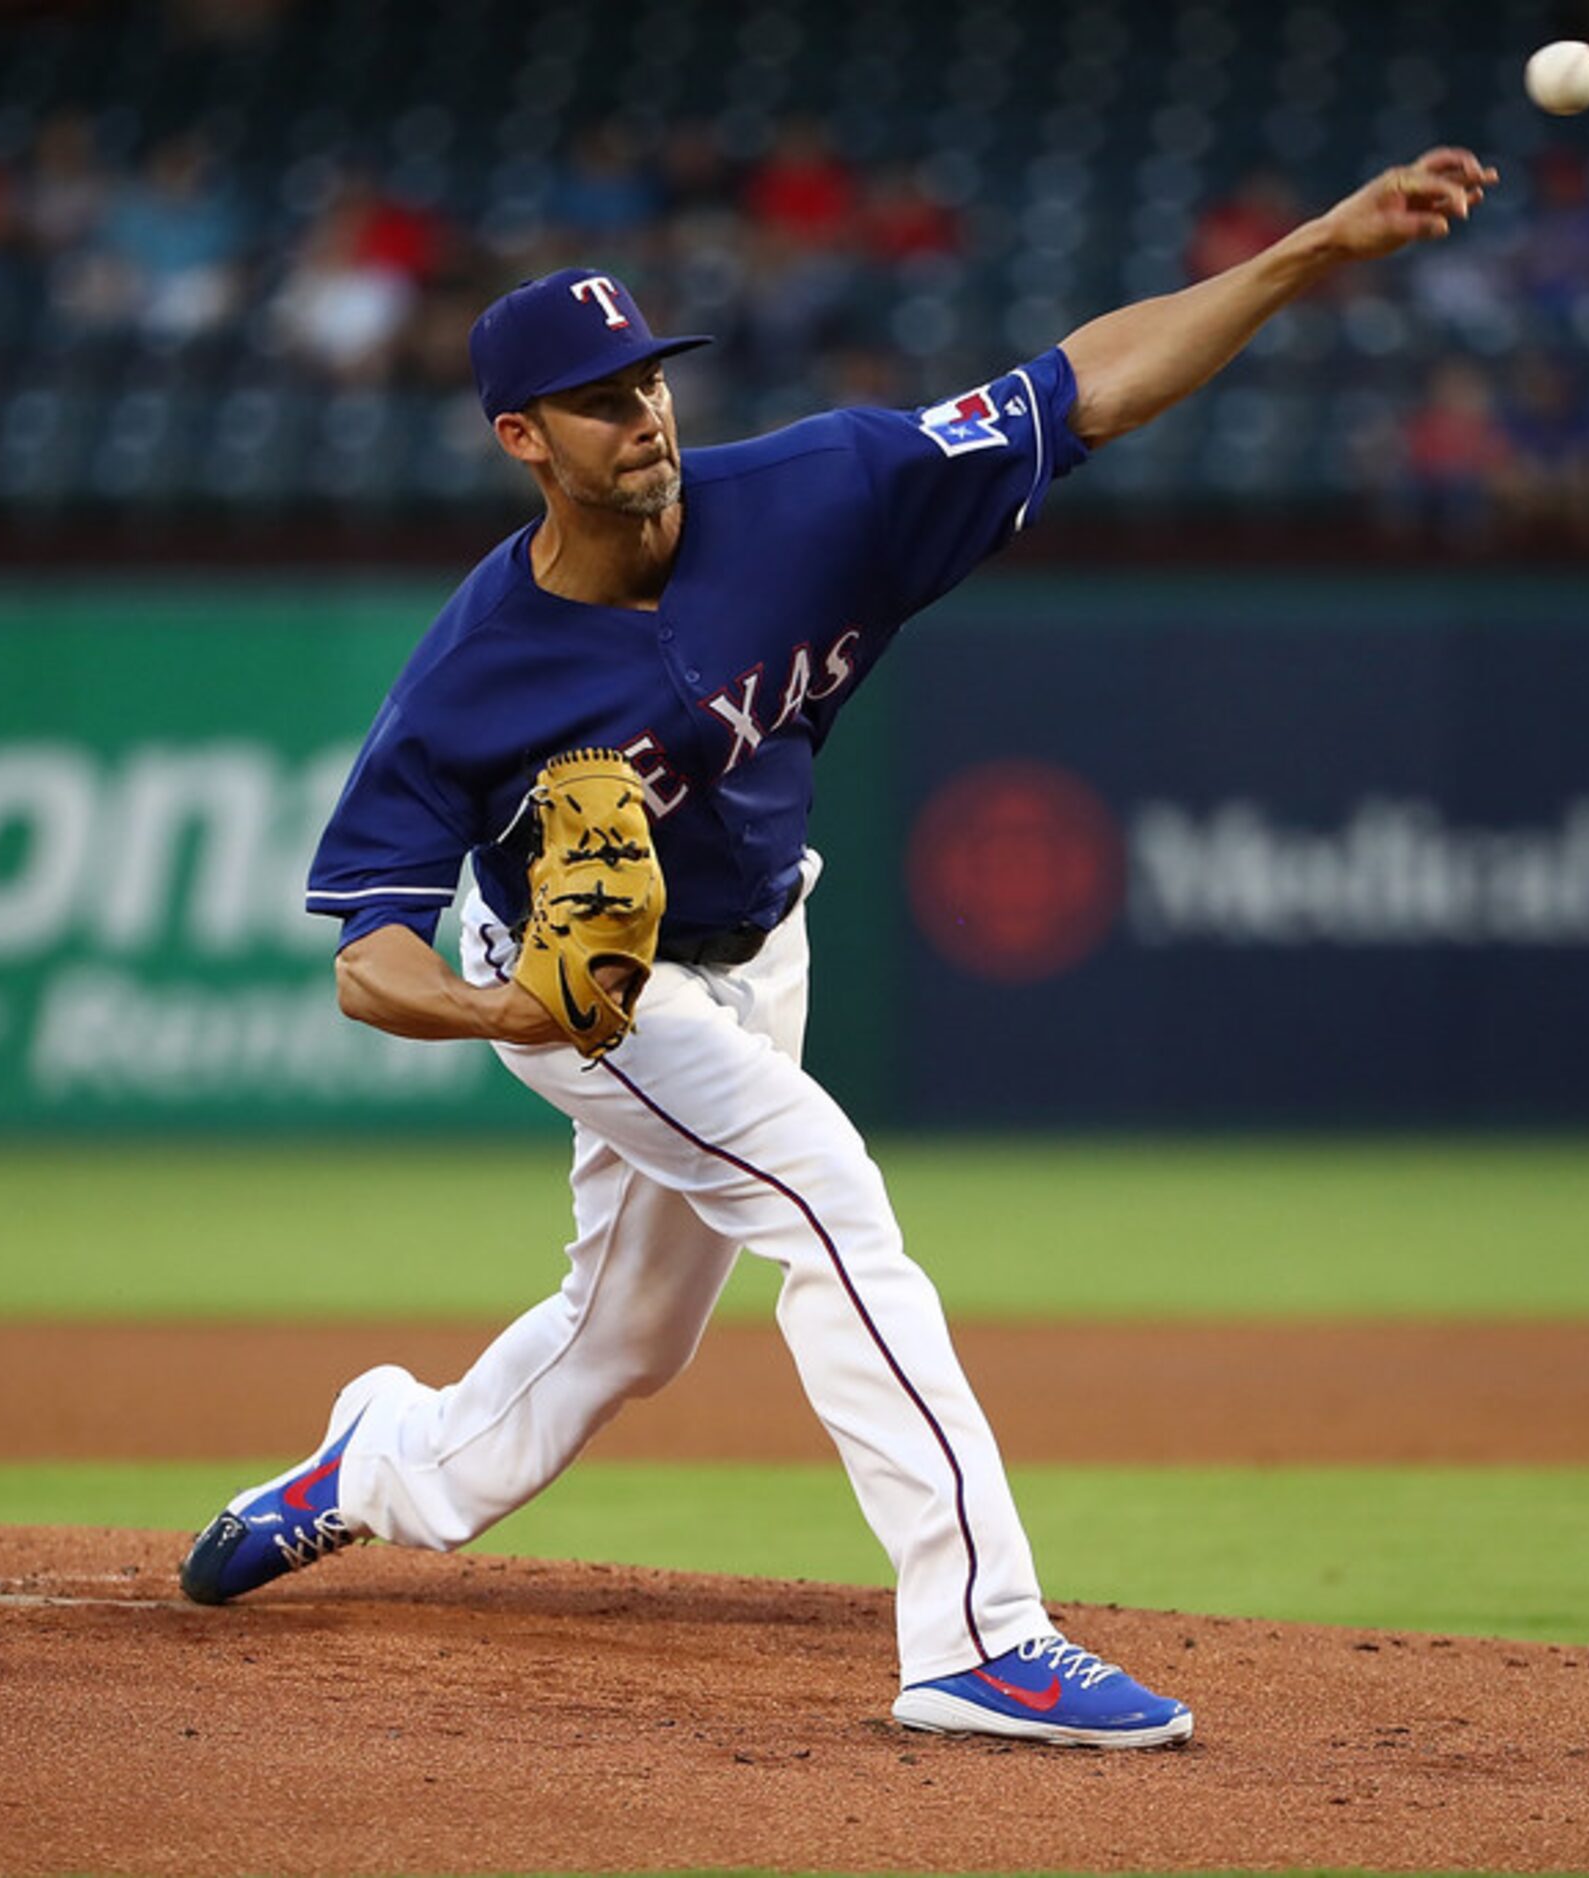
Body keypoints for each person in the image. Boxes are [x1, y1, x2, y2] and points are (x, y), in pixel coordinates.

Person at [181, 148, 1497, 1748]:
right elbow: (362, 950)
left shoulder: (824, 491)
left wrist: (1310, 247)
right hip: (590, 995)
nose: (644, 416)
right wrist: (500, 1007)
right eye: (598, 401)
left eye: (651, 380)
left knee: (631, 1338)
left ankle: (377, 1459)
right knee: (828, 1193)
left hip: (762, 935)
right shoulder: (474, 675)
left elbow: (1081, 389)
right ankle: (978, 1634)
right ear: (522, 438)